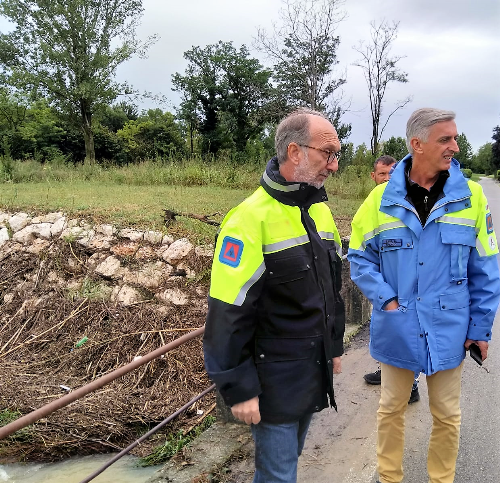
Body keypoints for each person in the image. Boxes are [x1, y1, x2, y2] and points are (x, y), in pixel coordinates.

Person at [348, 108, 500, 483]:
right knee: (390, 408)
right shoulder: (380, 200)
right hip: (398, 324)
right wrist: (387, 299)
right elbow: (359, 256)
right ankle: (389, 479)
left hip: (449, 325)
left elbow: (486, 269)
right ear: (417, 144)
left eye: (455, 137)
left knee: (447, 414)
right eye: (445, 139)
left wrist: (480, 329)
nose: (455, 145)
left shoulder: (473, 198)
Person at [203, 108, 345, 483]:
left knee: (287, 464)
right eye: (327, 153)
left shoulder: (320, 211)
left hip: (312, 370)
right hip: (272, 383)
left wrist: (334, 349)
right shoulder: (247, 220)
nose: (334, 165)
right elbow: (227, 313)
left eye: (337, 155)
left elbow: (332, 289)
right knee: (279, 475)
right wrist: (239, 389)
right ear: (295, 152)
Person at [364, 155, 421, 405]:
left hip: (406, 289)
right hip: (383, 287)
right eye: (382, 174)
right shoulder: (372, 203)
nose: (387, 179)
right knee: (387, 334)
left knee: (409, 337)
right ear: (373, 177)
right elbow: (364, 249)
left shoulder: (408, 202)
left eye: (391, 173)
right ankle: (386, 370)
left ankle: (413, 384)